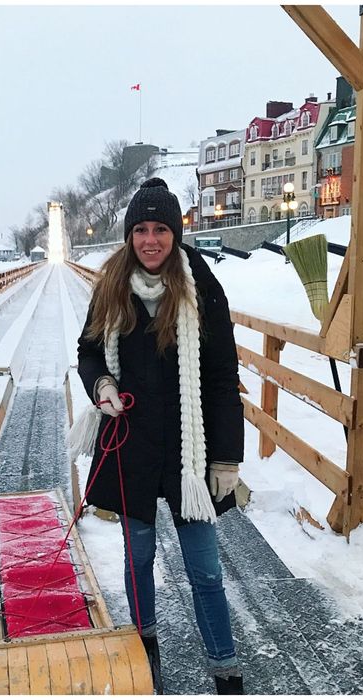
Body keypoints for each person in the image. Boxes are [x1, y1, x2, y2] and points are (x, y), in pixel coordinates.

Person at [75, 178, 244, 694]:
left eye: (161, 229)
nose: (151, 240)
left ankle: (226, 667)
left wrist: (227, 459)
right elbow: (87, 351)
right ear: (130, 235)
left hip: (190, 454)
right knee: (138, 558)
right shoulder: (111, 285)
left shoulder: (201, 285)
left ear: (175, 233)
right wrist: (102, 382)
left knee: (206, 571)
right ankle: (145, 649)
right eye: (141, 230)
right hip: (131, 445)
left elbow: (220, 376)